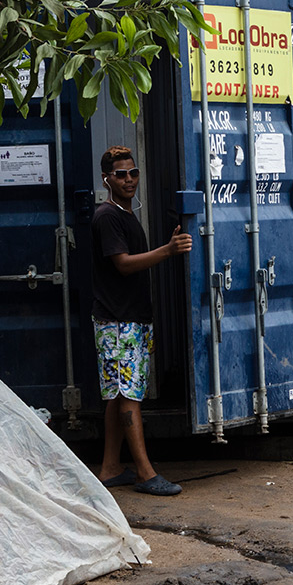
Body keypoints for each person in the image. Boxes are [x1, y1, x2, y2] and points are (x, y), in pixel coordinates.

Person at [92, 146, 193, 497]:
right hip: (119, 322)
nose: (129, 180)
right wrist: (168, 250)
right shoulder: (108, 217)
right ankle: (145, 474)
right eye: (121, 175)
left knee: (118, 395)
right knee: (129, 395)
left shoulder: (123, 213)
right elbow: (122, 263)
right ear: (107, 179)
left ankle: (110, 468)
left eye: (133, 173)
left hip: (127, 319)